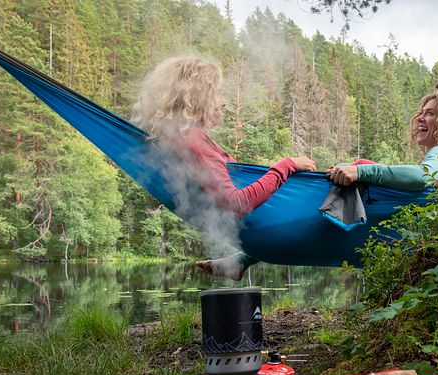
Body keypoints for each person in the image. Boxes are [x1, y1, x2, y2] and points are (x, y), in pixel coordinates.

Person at [197, 87, 438, 280]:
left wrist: (364, 172)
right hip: (407, 216)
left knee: (316, 212)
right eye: (421, 113)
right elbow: (431, 180)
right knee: (314, 219)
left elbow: (419, 178)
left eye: (432, 113)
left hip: (399, 214)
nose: (422, 118)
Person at [132, 55, 316, 278]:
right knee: (339, 204)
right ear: (199, 99)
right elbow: (236, 204)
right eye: (216, 94)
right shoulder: (194, 142)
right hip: (251, 222)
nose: (222, 102)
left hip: (256, 223)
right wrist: (287, 165)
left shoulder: (180, 138)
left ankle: (239, 262)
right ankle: (240, 260)